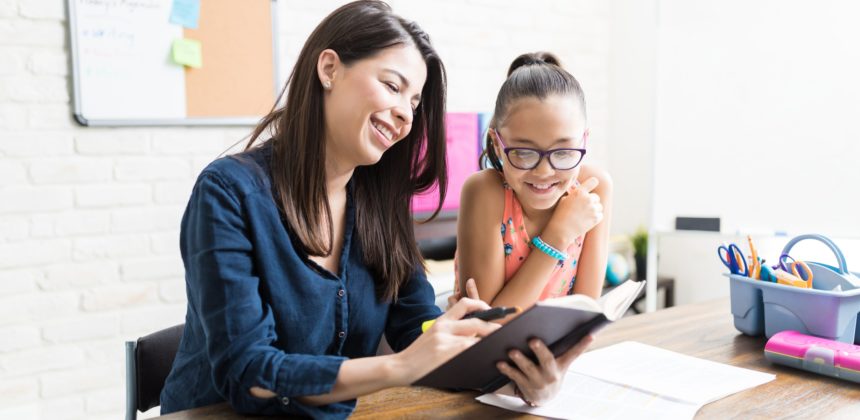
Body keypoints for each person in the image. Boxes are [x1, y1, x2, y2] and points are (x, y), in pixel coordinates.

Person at [160, 2, 592, 418]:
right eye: (392, 86)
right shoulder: (228, 193)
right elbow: (249, 374)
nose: (405, 113)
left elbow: (416, 322)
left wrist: (510, 372)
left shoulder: (377, 202)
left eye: (416, 102)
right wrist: (399, 367)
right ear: (329, 69)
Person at [455, 52, 613, 312]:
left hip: (561, 351)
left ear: (584, 140)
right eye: (524, 152)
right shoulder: (485, 192)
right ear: (497, 142)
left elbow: (584, 314)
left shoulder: (594, 188)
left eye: (563, 152)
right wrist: (557, 235)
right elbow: (489, 324)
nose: (543, 171)